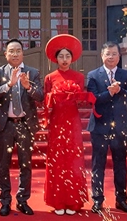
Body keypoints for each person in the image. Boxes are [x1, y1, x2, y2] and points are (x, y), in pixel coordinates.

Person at [0, 38, 44, 217]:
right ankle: (5, 201)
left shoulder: (33, 72)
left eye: (18, 50)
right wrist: (9, 85)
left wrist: (28, 87)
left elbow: (40, 96)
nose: (14, 54)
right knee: (3, 165)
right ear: (5, 54)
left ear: (23, 53)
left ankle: (22, 200)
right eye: (11, 51)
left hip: (25, 125)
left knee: (25, 165)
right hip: (6, 125)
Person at [86, 41, 127, 214]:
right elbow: (93, 98)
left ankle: (121, 199)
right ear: (102, 55)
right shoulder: (93, 75)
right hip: (99, 126)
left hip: (120, 126)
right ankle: (97, 200)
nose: (111, 57)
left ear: (119, 56)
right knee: (97, 164)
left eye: (114, 54)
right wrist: (110, 93)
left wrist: (120, 90)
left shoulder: (126, 75)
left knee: (120, 164)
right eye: (108, 54)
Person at [43, 34, 90, 215]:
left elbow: (82, 100)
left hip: (72, 121)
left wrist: (74, 96)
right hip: (56, 121)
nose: (64, 60)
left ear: (72, 58)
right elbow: (45, 100)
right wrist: (53, 97)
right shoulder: (50, 77)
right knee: (57, 160)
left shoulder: (78, 77)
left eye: (67, 56)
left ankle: (73, 200)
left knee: (73, 160)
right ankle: (58, 201)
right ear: (56, 58)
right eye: (61, 56)